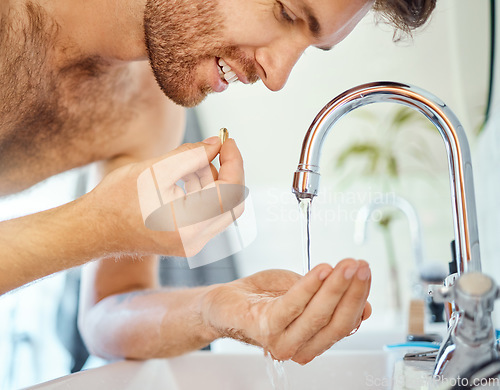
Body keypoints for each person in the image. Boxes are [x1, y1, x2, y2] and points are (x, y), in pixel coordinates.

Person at [0, 0, 435, 365]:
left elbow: (106, 311)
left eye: (309, 48)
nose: (277, 77)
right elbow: (98, 232)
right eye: (285, 12)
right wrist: (98, 226)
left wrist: (217, 310)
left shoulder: (150, 108)